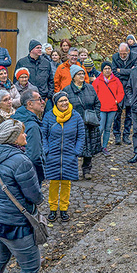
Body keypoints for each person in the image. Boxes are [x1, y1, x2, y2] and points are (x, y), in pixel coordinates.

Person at [0, 120, 43, 273]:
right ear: (13, 138)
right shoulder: (21, 161)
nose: (25, 135)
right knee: (30, 269)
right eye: (21, 133)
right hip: (15, 225)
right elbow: (34, 195)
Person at [42, 91, 85, 222]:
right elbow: (43, 134)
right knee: (54, 182)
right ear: (56, 103)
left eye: (66, 100)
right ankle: (53, 208)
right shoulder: (49, 116)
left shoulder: (76, 116)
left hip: (69, 154)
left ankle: (64, 208)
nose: (64, 103)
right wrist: (46, 149)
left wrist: (77, 150)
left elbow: (81, 135)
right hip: (53, 155)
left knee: (66, 182)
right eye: (61, 101)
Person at [63, 66, 102, 179]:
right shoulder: (67, 90)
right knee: (72, 149)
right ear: (73, 77)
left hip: (90, 123)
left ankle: (87, 170)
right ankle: (72, 171)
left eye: (82, 74)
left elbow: (97, 103)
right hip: (74, 124)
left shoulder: (90, 88)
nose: (81, 76)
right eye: (79, 74)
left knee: (88, 149)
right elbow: (63, 107)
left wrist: (96, 116)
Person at [12, 90, 47, 185]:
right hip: (30, 175)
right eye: (39, 99)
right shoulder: (32, 126)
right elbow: (35, 156)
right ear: (30, 104)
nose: (43, 102)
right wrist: (41, 176)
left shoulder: (16, 119)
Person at [93, 62, 124, 156]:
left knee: (107, 128)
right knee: (100, 127)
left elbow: (121, 92)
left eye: (109, 68)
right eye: (105, 68)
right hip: (102, 108)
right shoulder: (98, 81)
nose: (107, 70)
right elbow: (94, 94)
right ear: (102, 70)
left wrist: (117, 101)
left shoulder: (116, 80)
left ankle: (104, 146)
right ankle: (96, 145)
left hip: (112, 108)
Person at [112, 42, 137, 145]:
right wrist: (127, 71)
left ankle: (126, 135)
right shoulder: (115, 57)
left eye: (124, 54)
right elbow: (114, 72)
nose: (122, 56)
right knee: (117, 112)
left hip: (131, 87)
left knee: (129, 113)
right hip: (118, 86)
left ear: (128, 51)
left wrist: (121, 71)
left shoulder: (135, 56)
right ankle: (117, 135)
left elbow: (135, 71)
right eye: (120, 54)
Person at [14, 40, 54, 108]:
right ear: (31, 50)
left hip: (44, 97)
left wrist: (48, 96)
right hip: (27, 98)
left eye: (40, 48)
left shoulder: (46, 63)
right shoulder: (22, 62)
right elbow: (16, 81)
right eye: (37, 48)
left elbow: (51, 80)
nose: (40, 50)